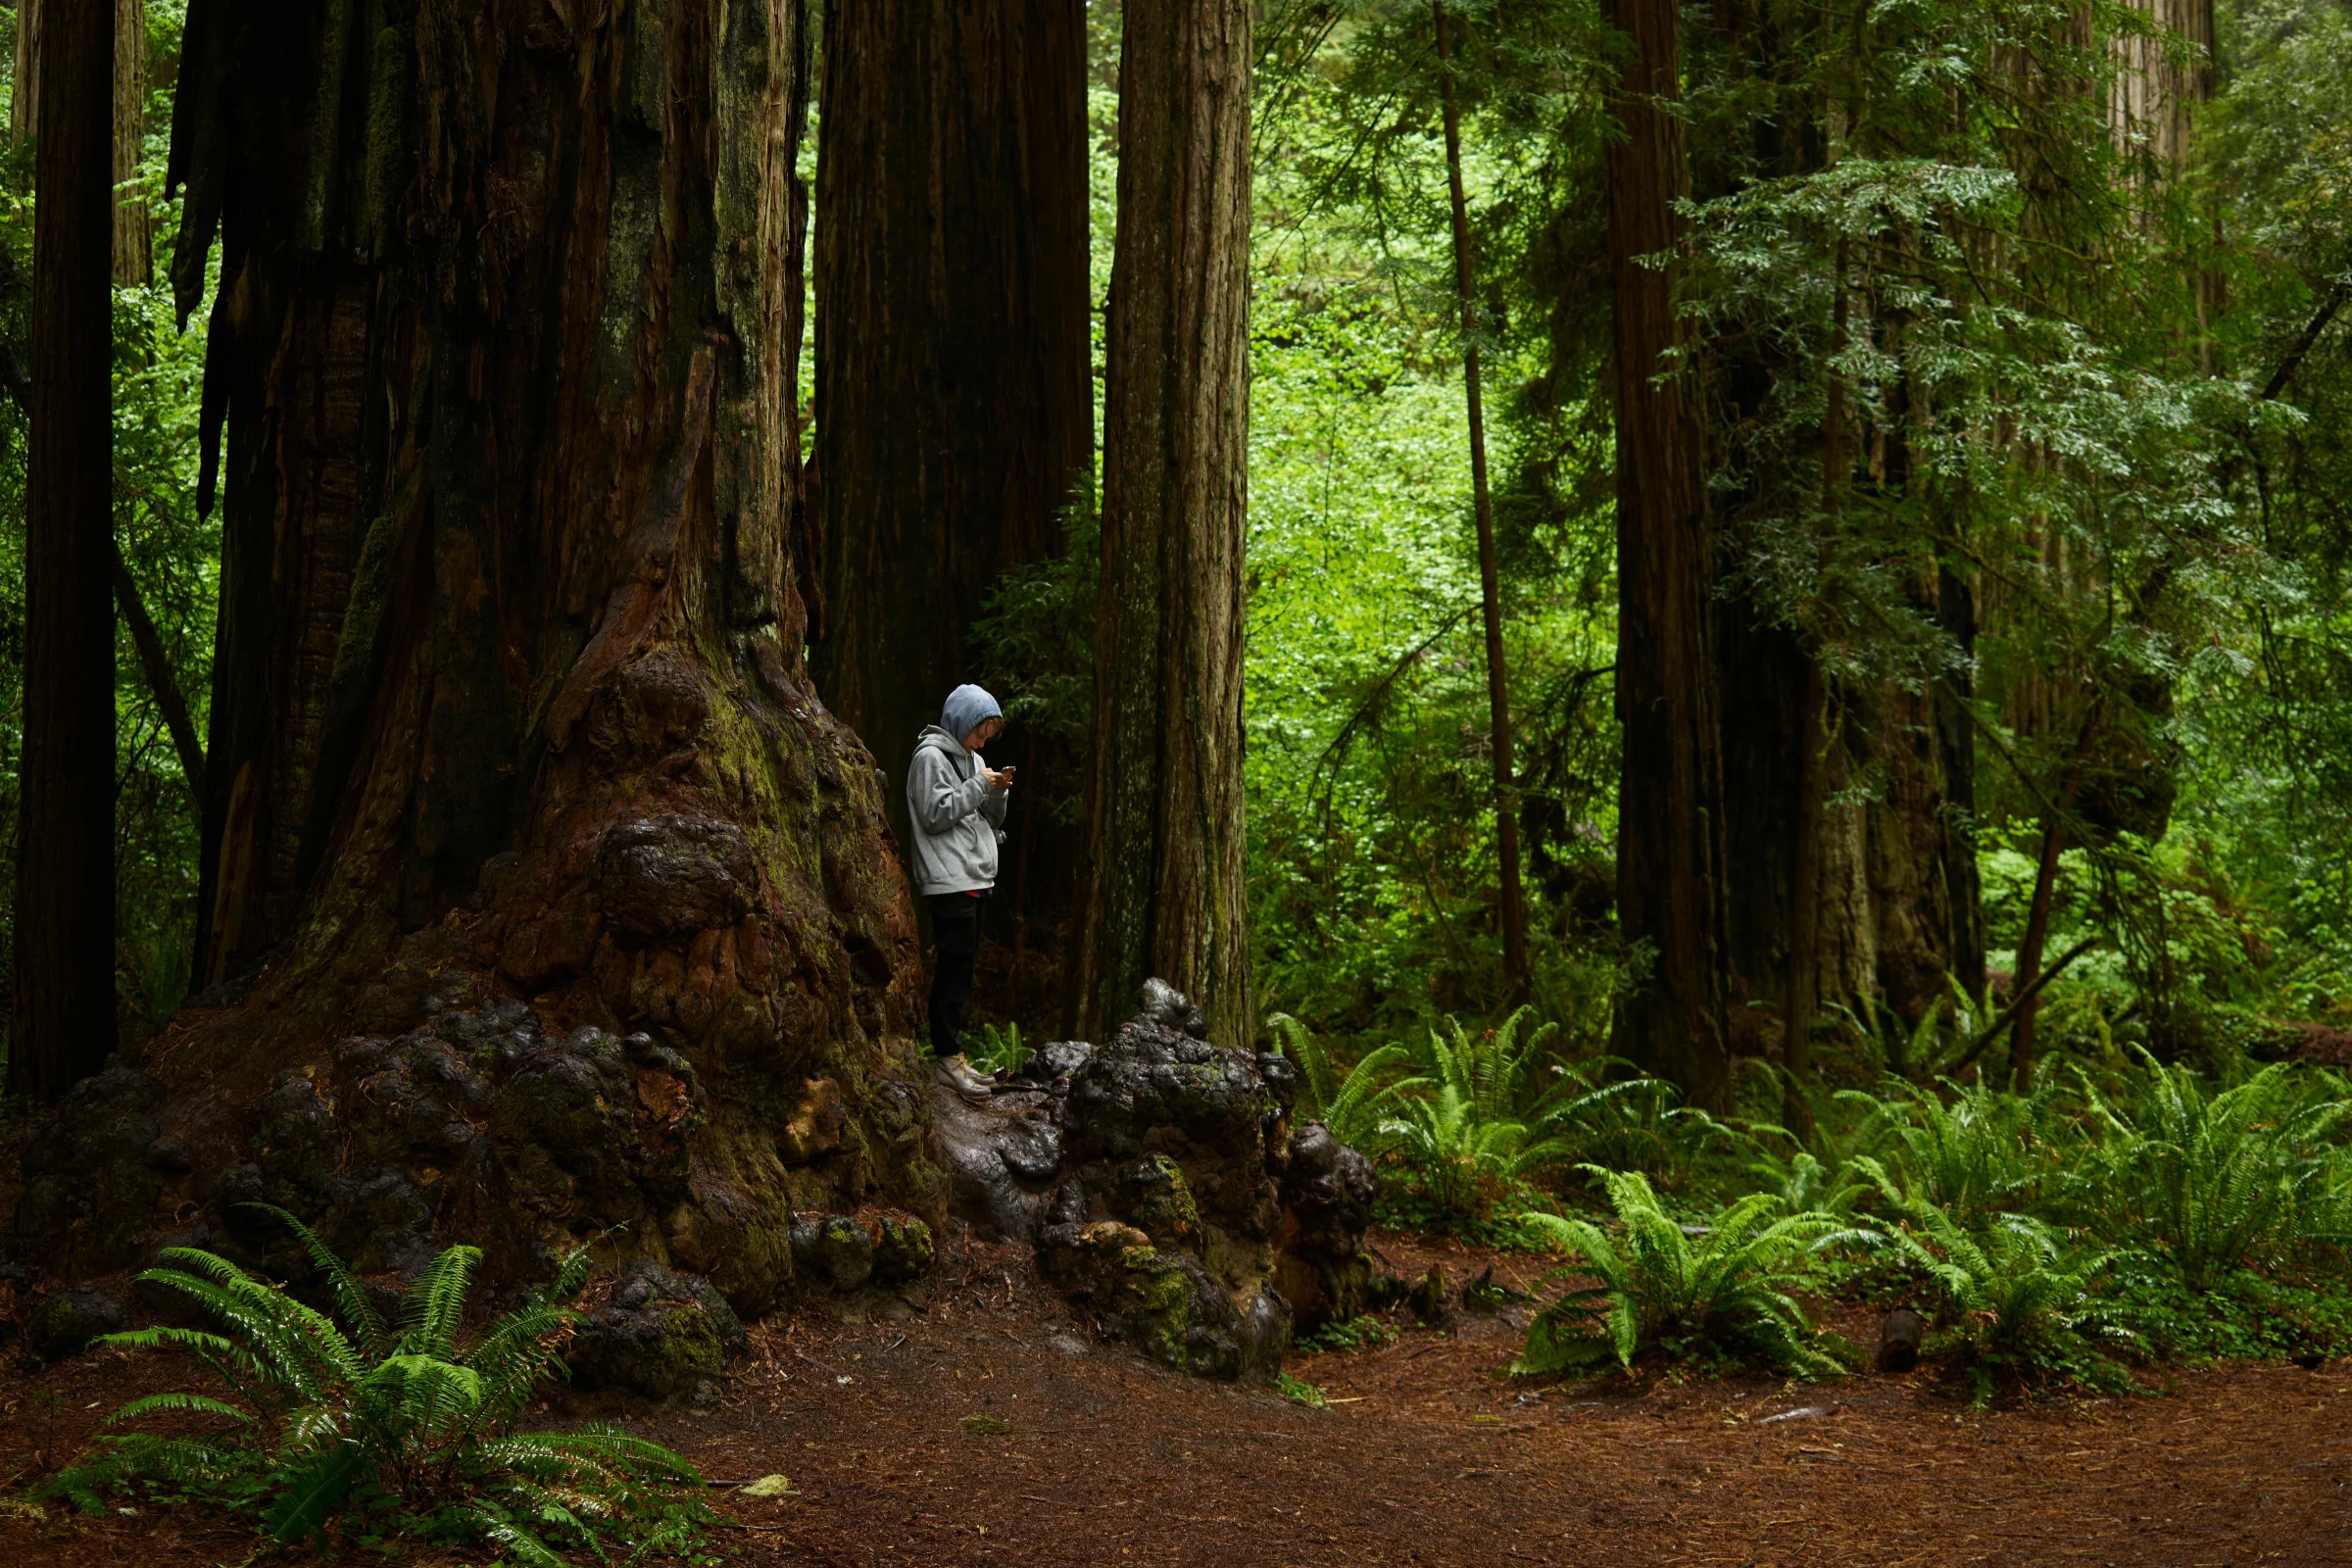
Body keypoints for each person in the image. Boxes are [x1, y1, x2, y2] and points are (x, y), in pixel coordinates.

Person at [906, 683, 1013, 1098]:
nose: (981, 740)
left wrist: (997, 790)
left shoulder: (975, 760)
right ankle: (946, 1062)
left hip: (975, 876)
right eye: (979, 731)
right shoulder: (929, 757)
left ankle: (954, 1057)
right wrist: (978, 787)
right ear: (961, 720)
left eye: (987, 734)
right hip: (949, 880)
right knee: (953, 969)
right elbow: (934, 815)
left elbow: (990, 819)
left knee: (964, 970)